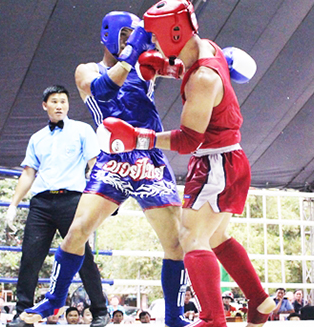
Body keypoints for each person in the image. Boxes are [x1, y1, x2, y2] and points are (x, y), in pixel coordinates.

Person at [96, 1, 274, 326]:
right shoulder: (207, 47)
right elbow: (187, 67)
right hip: (226, 158)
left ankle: (212, 319)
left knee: (191, 237)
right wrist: (166, 68)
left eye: (158, 38)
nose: (155, 45)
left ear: (175, 32)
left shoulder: (203, 79)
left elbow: (187, 140)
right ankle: (259, 300)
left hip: (215, 162)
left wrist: (137, 138)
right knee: (216, 237)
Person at [20, 11, 188, 327]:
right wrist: (133, 52)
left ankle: (175, 317)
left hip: (149, 158)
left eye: (134, 35)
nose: (131, 41)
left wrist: (181, 60)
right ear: (109, 34)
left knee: (176, 242)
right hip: (112, 161)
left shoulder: (144, 63)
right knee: (77, 232)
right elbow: (102, 91)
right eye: (125, 35)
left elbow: (182, 67)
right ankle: (53, 302)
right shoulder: (87, 70)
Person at [5, 85, 108, 327]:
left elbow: (95, 165)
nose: (59, 105)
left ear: (68, 104)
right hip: (41, 203)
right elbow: (28, 173)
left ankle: (100, 311)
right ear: (45, 105)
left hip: (72, 200)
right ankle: (23, 314)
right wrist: (13, 204)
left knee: (84, 258)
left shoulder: (82, 130)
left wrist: (95, 203)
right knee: (30, 257)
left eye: (63, 100)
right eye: (54, 101)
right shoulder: (37, 138)